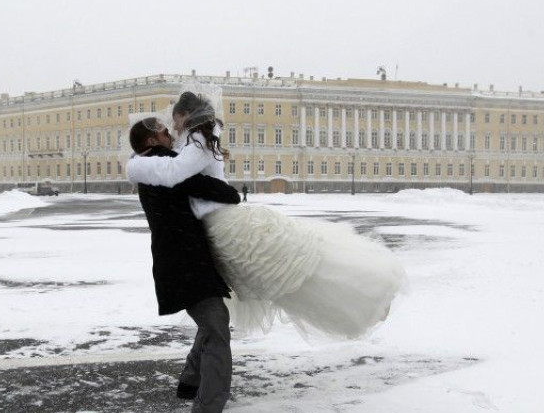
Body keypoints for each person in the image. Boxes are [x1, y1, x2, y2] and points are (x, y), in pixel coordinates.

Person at [127, 91, 406, 339]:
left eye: (174, 119)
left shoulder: (199, 140)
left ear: (186, 116)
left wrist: (136, 165)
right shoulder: (193, 141)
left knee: (287, 268)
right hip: (216, 226)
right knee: (279, 277)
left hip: (225, 224)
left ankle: (365, 295)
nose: (172, 126)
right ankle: (358, 301)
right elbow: (175, 165)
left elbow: (176, 173)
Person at [129, 117, 244, 413]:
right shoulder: (164, 164)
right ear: (152, 142)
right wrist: (228, 190)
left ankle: (190, 383)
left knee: (210, 324)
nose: (171, 135)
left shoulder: (148, 168)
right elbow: (214, 190)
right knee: (217, 329)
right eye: (165, 132)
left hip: (176, 260)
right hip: (186, 262)